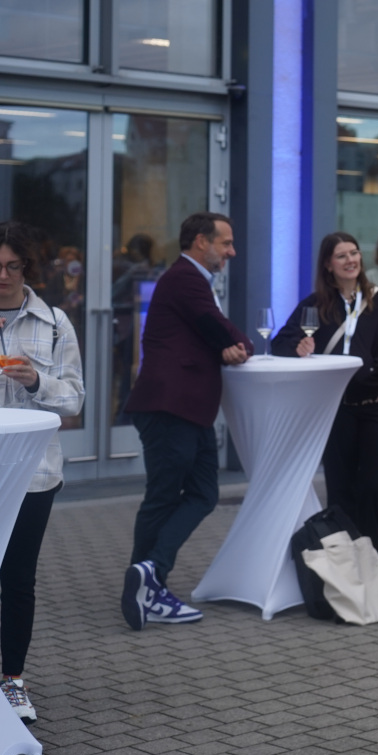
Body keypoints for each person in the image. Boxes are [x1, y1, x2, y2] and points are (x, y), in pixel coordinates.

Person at [121, 212, 253, 631]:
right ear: (201, 242)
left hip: (187, 409)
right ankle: (147, 584)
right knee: (163, 497)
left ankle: (148, 575)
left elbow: (205, 337)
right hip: (169, 408)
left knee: (203, 492)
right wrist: (236, 345)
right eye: (226, 243)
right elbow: (225, 334)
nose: (232, 252)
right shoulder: (185, 279)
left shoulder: (192, 281)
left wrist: (224, 348)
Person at [271, 232, 378, 563]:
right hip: (334, 412)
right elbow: (279, 343)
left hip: (373, 409)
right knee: (341, 490)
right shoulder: (315, 306)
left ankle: (375, 558)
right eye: (341, 256)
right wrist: (297, 349)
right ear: (328, 264)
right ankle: (346, 561)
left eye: (354, 253)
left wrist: (371, 371)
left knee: (373, 487)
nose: (350, 260)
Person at [0, 223, 83, 722]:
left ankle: (12, 680)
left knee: (17, 578)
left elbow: (75, 398)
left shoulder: (53, 322)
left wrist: (35, 381)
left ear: (28, 268)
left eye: (13, 266)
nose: (4, 276)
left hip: (34, 473)